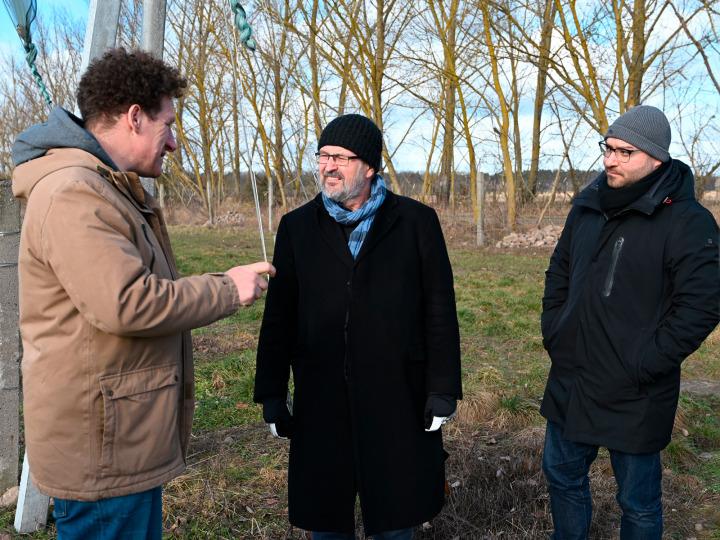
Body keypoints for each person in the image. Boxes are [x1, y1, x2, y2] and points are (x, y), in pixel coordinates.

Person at [11, 48, 274, 539]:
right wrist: (227, 289)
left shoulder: (103, 187)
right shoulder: (74, 192)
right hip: (103, 452)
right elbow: (127, 302)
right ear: (134, 117)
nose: (173, 142)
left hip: (116, 436)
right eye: (167, 124)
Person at [254, 114, 462, 539]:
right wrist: (272, 393)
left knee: (395, 514)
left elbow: (439, 310)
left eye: (341, 158)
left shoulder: (416, 222)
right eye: (323, 156)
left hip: (397, 394)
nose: (328, 166)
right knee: (327, 518)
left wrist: (442, 389)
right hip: (322, 394)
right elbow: (280, 315)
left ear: (369, 166)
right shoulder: (297, 227)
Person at [540, 105, 720, 538]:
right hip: (573, 375)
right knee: (562, 479)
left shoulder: (687, 221)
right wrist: (556, 331)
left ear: (656, 159)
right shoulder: (587, 206)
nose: (610, 160)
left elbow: (702, 304)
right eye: (608, 148)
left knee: (637, 504)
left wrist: (646, 361)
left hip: (635, 388)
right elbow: (560, 271)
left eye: (625, 152)